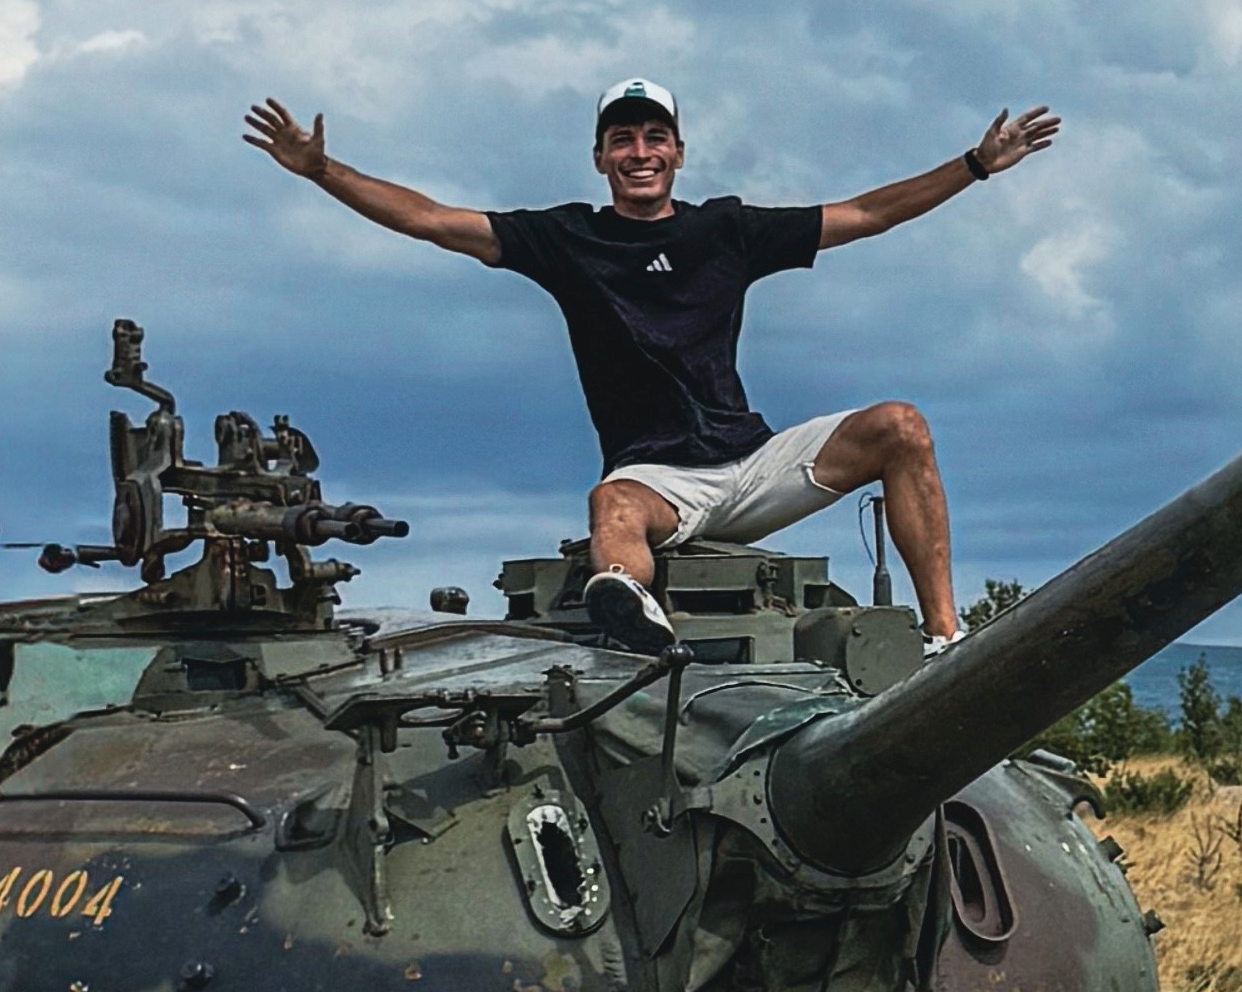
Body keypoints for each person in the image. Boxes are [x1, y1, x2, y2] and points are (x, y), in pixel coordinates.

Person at [239, 77, 1060, 655]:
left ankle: (946, 639)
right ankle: (632, 610)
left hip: (752, 460)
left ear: (677, 151)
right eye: (622, 139)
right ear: (600, 157)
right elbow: (427, 219)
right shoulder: (564, 238)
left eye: (654, 136)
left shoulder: (726, 230)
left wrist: (976, 165)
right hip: (658, 483)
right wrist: (321, 171)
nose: (640, 151)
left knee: (901, 426)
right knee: (612, 502)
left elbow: (870, 213)